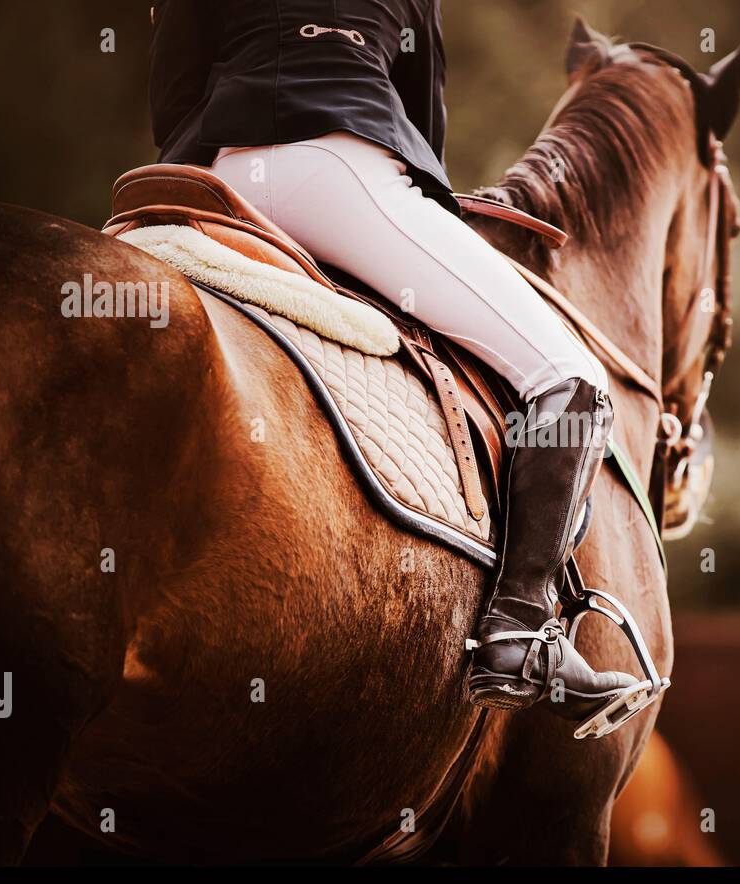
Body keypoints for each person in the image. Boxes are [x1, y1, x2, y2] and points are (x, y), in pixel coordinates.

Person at [148, 0, 639, 721]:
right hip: (341, 170)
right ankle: (522, 628)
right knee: (571, 378)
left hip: (217, 175)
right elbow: (421, 118)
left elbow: (175, 96)